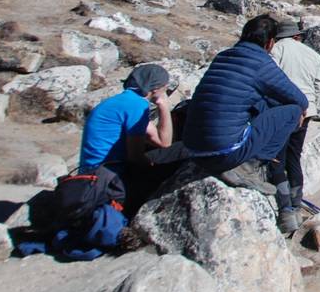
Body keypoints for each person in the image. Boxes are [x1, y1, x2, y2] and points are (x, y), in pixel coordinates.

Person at [183, 15, 307, 200]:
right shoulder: (261, 63)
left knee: (260, 102)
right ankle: (250, 165)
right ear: (270, 43)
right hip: (223, 153)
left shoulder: (223, 56)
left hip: (192, 147)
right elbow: (299, 99)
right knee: (293, 111)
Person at [77, 63, 172, 210]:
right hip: (108, 176)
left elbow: (161, 141)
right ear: (156, 88)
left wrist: (162, 105)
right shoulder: (136, 105)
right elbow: (136, 157)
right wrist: (165, 105)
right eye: (166, 86)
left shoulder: (123, 101)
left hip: (92, 173)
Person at [270, 19, 320, 233]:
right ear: (297, 36)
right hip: (307, 110)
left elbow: (271, 79)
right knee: (294, 156)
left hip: (283, 110)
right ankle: (296, 204)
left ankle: (285, 211)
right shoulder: (313, 55)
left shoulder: (276, 50)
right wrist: (314, 106)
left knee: (277, 158)